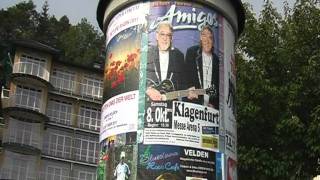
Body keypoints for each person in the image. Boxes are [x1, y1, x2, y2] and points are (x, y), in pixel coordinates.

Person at [146, 21, 185, 101]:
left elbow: (183, 84)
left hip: (171, 107)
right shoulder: (148, 53)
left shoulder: (179, 56)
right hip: (150, 106)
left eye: (168, 35)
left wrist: (189, 91)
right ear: (157, 36)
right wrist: (148, 90)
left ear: (171, 38)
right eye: (162, 34)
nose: (165, 38)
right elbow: (139, 79)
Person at [185, 25, 219, 108]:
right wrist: (188, 89)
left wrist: (214, 104)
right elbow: (184, 75)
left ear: (213, 41)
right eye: (204, 36)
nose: (207, 40)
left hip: (210, 110)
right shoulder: (192, 53)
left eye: (210, 37)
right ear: (200, 38)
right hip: (193, 105)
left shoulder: (216, 60)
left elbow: (218, 87)